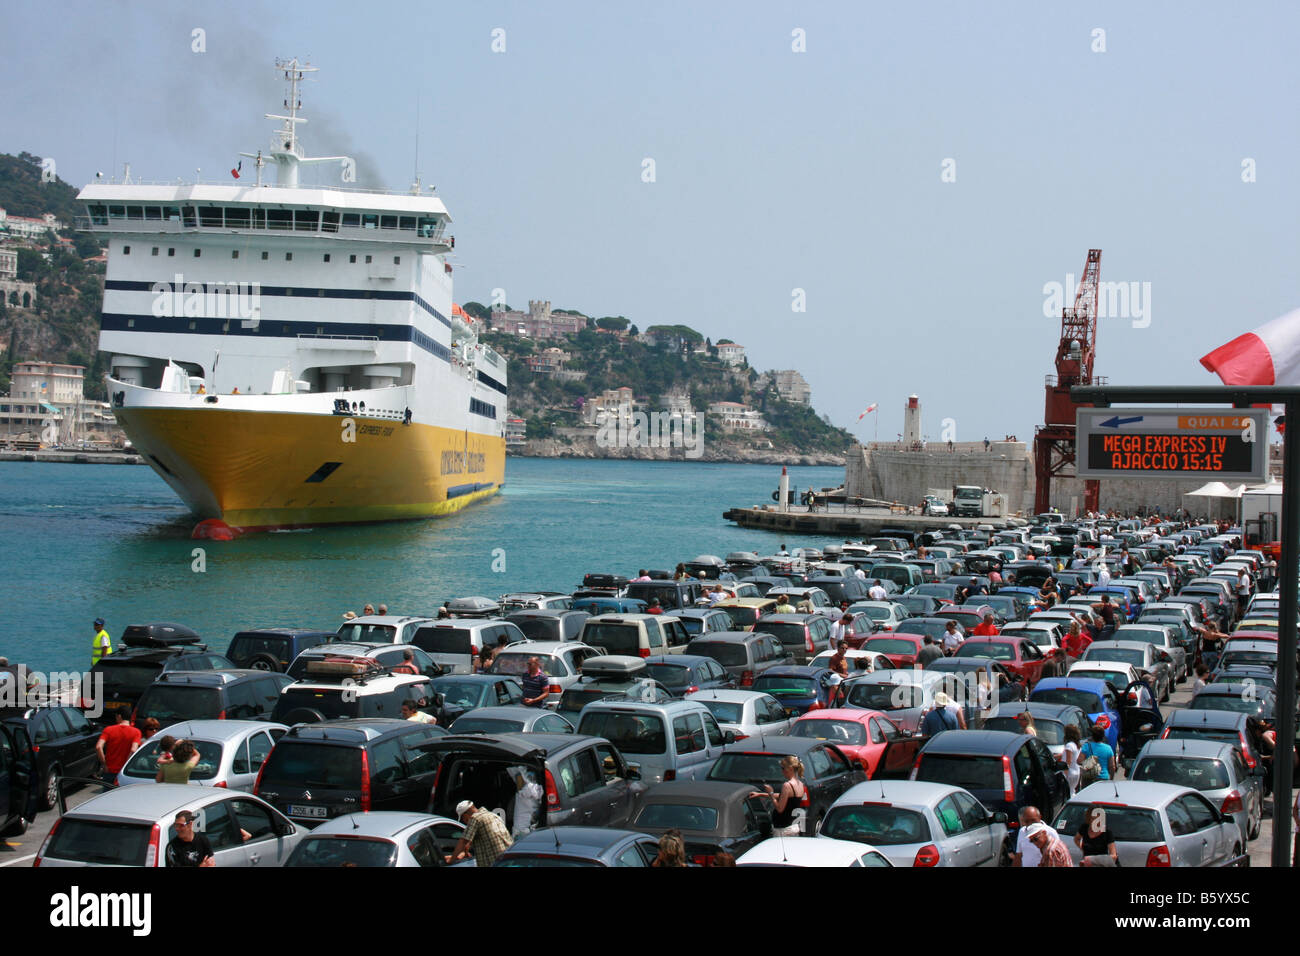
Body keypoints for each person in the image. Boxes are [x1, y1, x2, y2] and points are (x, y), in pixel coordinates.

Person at [751, 755, 807, 836]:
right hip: (793, 826)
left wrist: (771, 793)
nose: (782, 771)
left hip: (783, 829)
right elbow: (782, 796)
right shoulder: (800, 784)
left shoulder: (787, 785)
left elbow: (780, 809)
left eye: (783, 768)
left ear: (790, 769)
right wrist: (760, 794)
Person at [447, 800, 513, 867]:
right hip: (508, 859)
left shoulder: (475, 818)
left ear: (465, 815)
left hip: (494, 862)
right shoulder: (493, 816)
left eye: (463, 818)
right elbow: (469, 841)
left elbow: (463, 841)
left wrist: (452, 859)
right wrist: (464, 852)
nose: (464, 821)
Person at [96, 706, 141, 780]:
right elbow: (133, 750)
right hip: (124, 772)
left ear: (119, 716)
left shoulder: (108, 730)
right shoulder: (136, 732)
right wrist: (126, 766)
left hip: (109, 770)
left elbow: (98, 747)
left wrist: (104, 764)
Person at [510, 767, 543, 838]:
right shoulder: (539, 790)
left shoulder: (525, 790)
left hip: (520, 831)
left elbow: (519, 779)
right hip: (530, 829)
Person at [1060, 723, 1082, 793]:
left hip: (1070, 773)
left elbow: (1068, 761)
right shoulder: (1076, 745)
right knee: (1072, 791)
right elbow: (1065, 755)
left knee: (1068, 792)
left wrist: (1065, 775)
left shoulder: (1069, 745)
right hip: (1076, 772)